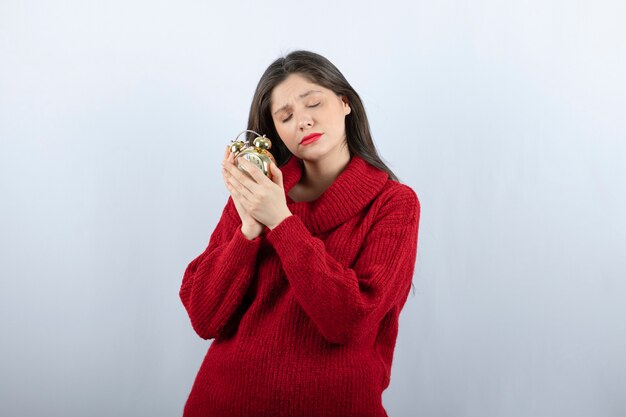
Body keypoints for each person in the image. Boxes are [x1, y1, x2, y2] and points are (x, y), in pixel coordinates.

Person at [179, 50, 421, 417]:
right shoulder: (256, 193)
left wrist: (282, 222)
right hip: (222, 402)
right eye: (286, 116)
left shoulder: (394, 204)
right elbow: (204, 315)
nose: (303, 122)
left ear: (344, 102)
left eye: (314, 104)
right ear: (274, 131)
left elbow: (349, 321)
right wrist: (248, 230)